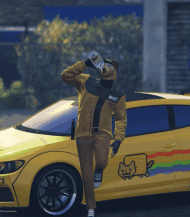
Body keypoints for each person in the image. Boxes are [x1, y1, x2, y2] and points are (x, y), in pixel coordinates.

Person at [61, 56, 127, 217]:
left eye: (109, 65)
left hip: (102, 133)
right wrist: (85, 64)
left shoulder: (118, 94)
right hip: (83, 133)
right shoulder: (86, 81)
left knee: (102, 160)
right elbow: (65, 76)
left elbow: (120, 118)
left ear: (115, 72)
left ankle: (100, 170)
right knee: (86, 174)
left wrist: (118, 139)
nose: (105, 66)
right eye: (103, 64)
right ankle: (91, 208)